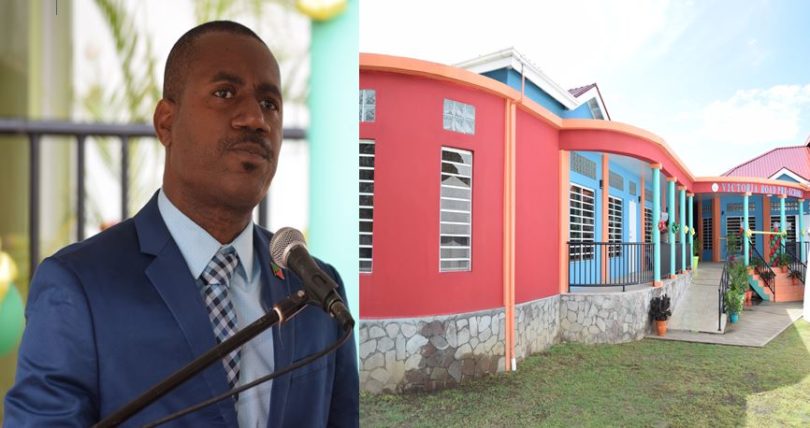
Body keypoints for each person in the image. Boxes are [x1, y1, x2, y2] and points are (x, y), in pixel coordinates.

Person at [4, 21, 358, 427]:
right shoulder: (79, 286)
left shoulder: (318, 292)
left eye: (269, 103)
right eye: (225, 94)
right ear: (166, 122)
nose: (255, 118)